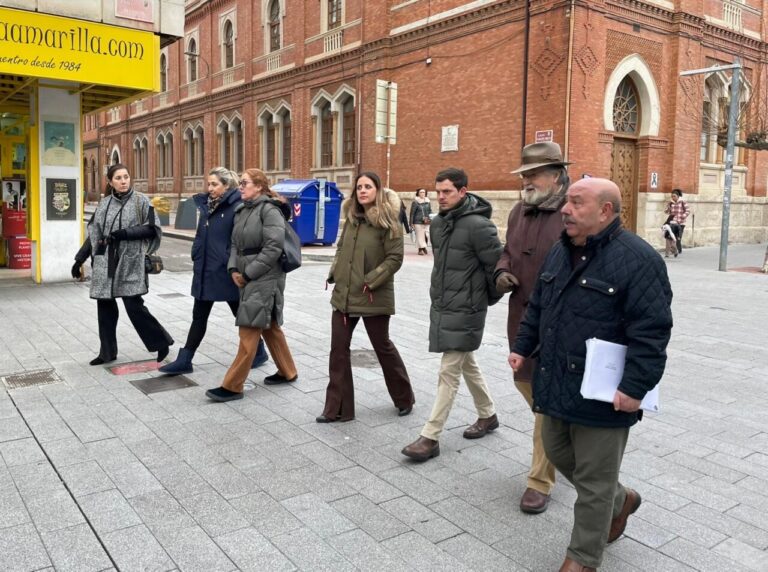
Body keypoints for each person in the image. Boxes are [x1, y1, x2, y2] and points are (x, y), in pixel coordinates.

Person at [509, 177, 673, 572]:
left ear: (605, 211)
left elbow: (651, 330)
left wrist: (635, 387)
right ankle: (621, 500)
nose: (565, 209)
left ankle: (582, 558)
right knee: (560, 452)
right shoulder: (559, 251)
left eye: (576, 203)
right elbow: (539, 306)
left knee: (595, 480)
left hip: (606, 393)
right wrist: (522, 345)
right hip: (556, 380)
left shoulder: (640, 260)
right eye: (567, 202)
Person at [401, 167, 502, 461]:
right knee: (466, 362)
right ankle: (488, 414)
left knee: (449, 371)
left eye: (447, 192)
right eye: (438, 192)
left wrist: (483, 300)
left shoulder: (479, 226)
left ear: (463, 192)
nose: (440, 197)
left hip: (468, 308)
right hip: (444, 304)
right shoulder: (439, 223)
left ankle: (430, 437)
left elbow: (496, 269)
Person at [495, 141, 570, 514]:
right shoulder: (518, 211)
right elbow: (507, 250)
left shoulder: (571, 214)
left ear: (556, 176)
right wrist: (503, 270)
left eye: (533, 174)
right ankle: (564, 444)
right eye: (523, 174)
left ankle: (540, 480)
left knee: (544, 403)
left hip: (558, 323)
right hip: (520, 319)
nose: (526, 180)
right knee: (526, 385)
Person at [318, 172, 415, 422]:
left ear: (377, 190)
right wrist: (335, 271)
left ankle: (404, 397)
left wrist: (371, 280)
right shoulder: (351, 219)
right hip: (344, 294)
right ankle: (338, 408)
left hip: (372, 294)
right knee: (338, 349)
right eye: (359, 187)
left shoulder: (388, 221)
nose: (362, 191)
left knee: (382, 347)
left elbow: (395, 258)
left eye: (368, 187)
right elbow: (341, 249)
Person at [160, 167, 268, 375]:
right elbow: (203, 234)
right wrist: (197, 252)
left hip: (227, 271)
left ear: (226, 186)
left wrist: (229, 261)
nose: (209, 188)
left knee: (241, 313)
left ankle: (259, 351)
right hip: (205, 268)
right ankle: (185, 359)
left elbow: (240, 239)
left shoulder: (238, 206)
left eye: (214, 184)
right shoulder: (207, 205)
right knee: (199, 315)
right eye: (208, 184)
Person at [206, 168, 298, 402]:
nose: (241, 187)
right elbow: (235, 244)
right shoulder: (242, 210)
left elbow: (273, 248)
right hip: (247, 274)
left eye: (245, 183)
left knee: (249, 327)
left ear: (259, 186)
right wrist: (233, 268)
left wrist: (248, 273)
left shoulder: (270, 211)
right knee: (270, 325)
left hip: (266, 276)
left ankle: (232, 385)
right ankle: (288, 371)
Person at [75, 163, 173, 365]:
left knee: (134, 306)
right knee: (105, 308)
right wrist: (79, 259)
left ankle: (161, 342)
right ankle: (107, 352)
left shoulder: (141, 201)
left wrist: (125, 234)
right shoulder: (104, 204)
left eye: (126, 177)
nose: (123, 181)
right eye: (118, 178)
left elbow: (152, 229)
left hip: (130, 261)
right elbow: (94, 233)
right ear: (110, 182)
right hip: (104, 262)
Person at [664, 188, 690, 254]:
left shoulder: (682, 202)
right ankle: (674, 250)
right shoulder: (670, 203)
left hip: (681, 223)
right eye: (672, 196)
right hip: (673, 223)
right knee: (672, 237)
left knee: (678, 237)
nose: (673, 198)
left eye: (674, 196)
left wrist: (682, 216)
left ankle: (679, 249)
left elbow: (687, 211)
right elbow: (667, 212)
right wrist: (667, 209)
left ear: (678, 196)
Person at [409, 188, 432, 255]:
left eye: (424, 192)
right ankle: (420, 250)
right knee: (420, 236)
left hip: (426, 221)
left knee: (426, 235)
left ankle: (424, 247)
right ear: (418, 193)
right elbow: (412, 213)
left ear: (425, 193)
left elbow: (430, 211)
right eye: (421, 192)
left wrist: (432, 217)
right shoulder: (415, 202)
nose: (422, 193)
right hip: (417, 222)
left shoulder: (428, 201)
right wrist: (411, 223)